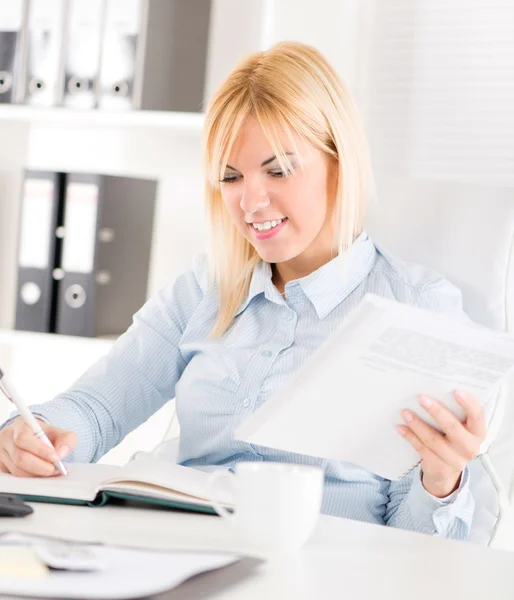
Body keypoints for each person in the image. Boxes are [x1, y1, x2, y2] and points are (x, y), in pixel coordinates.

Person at [0, 41, 485, 540]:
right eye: (230, 177)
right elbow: (97, 408)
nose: (250, 201)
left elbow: (416, 548)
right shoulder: (204, 289)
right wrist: (32, 433)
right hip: (182, 552)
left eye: (278, 170)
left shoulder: (417, 308)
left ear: (339, 161)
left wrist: (442, 481)